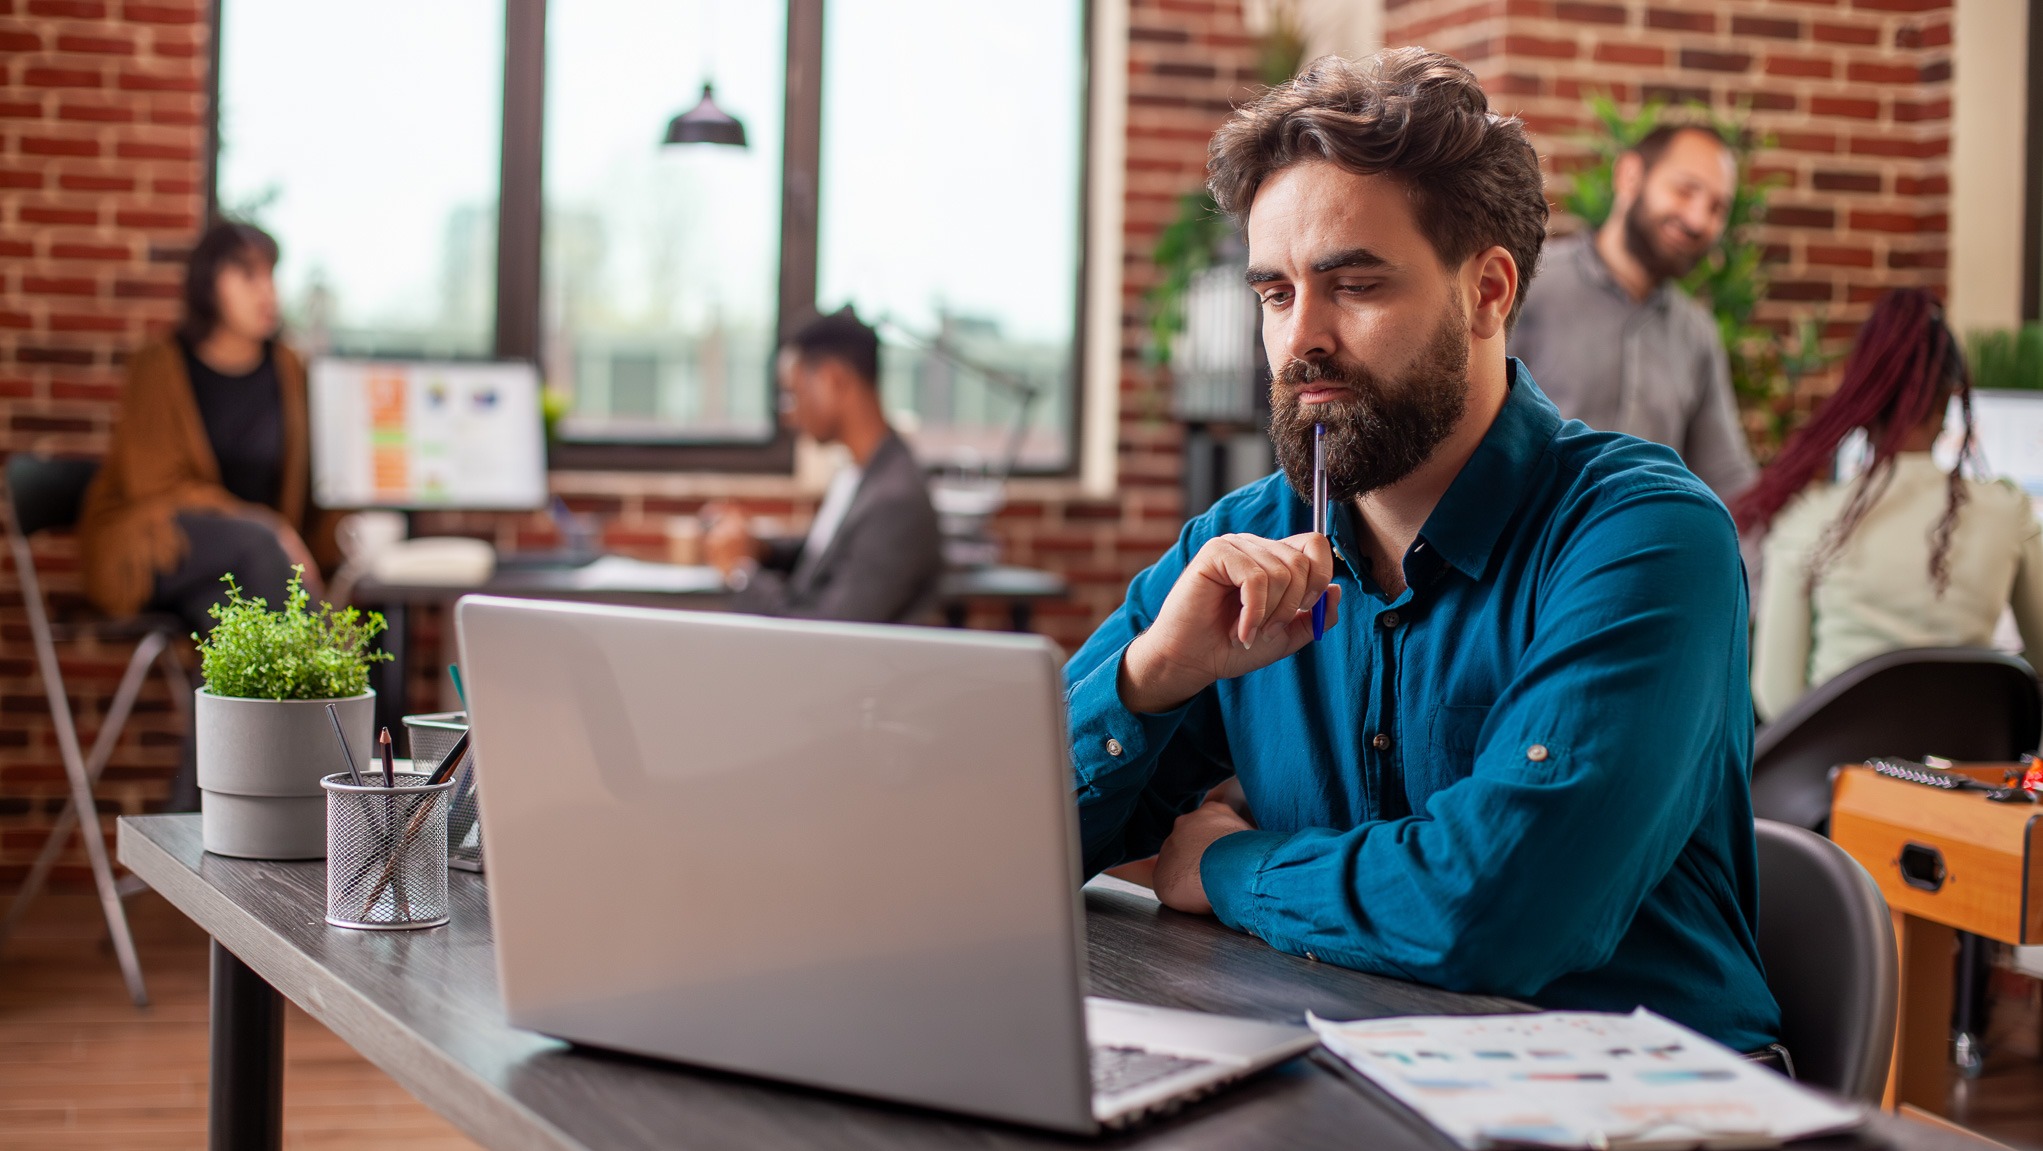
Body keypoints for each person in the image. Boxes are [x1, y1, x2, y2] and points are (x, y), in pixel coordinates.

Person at [1065, 50, 1780, 1055]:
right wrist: (1149, 679)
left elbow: (1495, 908)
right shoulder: (1241, 541)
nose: (1300, 340)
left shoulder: (1645, 538)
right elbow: (999, 846)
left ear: (1487, 290)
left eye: (1353, 284)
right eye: (1275, 294)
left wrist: (1227, 867)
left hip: (1640, 1099)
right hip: (1352, 1069)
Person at [79, 219, 324, 810]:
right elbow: (155, 485)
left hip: (239, 573)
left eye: (271, 274)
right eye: (247, 274)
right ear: (207, 283)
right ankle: (323, 790)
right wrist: (271, 528)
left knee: (233, 632)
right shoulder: (159, 367)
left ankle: (197, 817)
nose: (267, 291)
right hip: (155, 548)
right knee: (258, 555)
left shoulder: (288, 369)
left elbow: (309, 483)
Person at [1740, 289, 2043, 722]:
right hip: (1961, 785)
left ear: (1862, 401)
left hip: (1837, 783)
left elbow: (1777, 696)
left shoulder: (1808, 523)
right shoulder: (2007, 514)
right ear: (1947, 401)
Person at [1509, 123, 1756, 503]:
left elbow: (1726, 477)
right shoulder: (1529, 287)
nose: (1698, 220)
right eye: (1685, 190)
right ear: (1630, 176)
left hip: (1646, 556)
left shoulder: (1697, 334)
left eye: (1717, 207)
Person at [704, 307, 942, 623]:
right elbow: (827, 558)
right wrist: (759, 549)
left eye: (794, 393)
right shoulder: (864, 472)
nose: (789, 414)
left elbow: (826, 635)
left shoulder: (895, 501)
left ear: (833, 380)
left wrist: (739, 574)